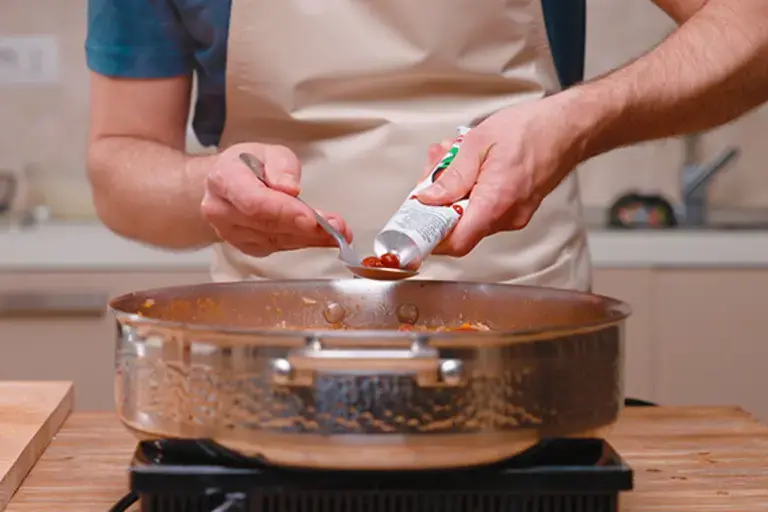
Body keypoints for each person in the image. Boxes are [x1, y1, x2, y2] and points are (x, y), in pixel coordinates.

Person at [85, 0, 768, 291]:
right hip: (268, 368)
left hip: (522, 353)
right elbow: (120, 161)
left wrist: (575, 120)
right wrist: (207, 190)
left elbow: (752, 26)